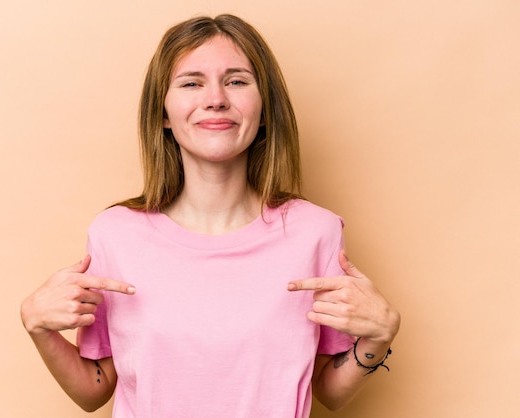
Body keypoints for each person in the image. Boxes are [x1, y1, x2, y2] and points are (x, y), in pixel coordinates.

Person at [20, 14, 400, 417]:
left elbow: (330, 391)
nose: (216, 98)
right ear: (163, 113)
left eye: (236, 81)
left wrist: (378, 339)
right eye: (191, 83)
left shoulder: (316, 232)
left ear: (266, 109)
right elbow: (94, 389)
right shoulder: (115, 235)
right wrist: (37, 326)